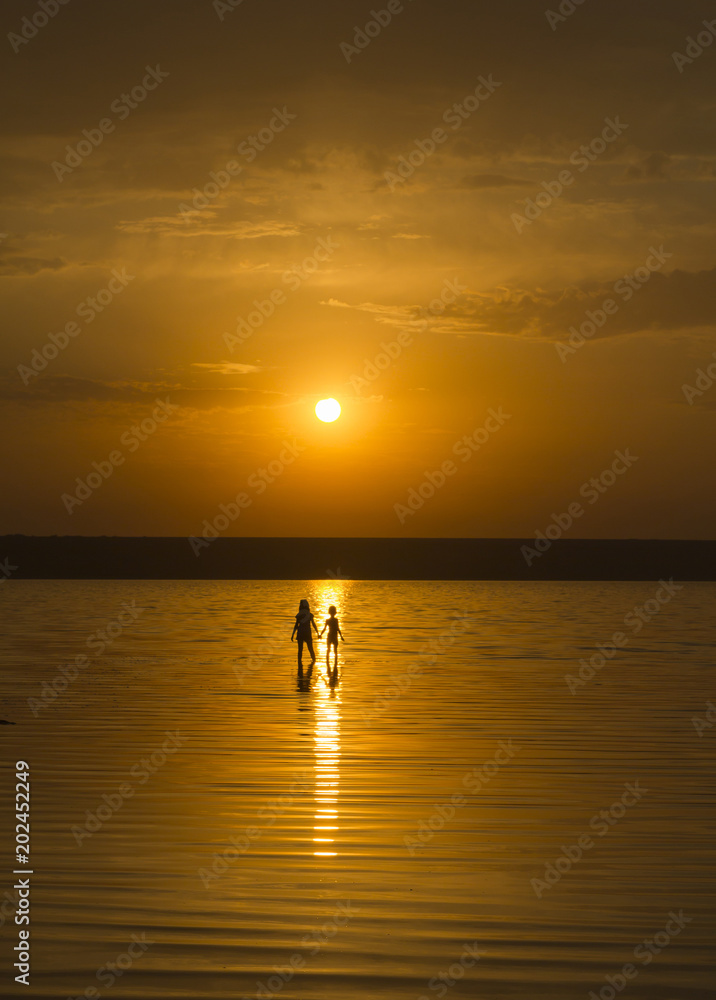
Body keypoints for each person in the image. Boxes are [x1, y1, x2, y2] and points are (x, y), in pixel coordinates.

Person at [291, 598, 319, 666]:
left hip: (300, 633)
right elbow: (313, 624)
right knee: (310, 649)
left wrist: (292, 635)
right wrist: (318, 632)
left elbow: (296, 625)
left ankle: (299, 664)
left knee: (300, 650)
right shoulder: (309, 615)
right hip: (307, 633)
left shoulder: (299, 615)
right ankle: (314, 662)